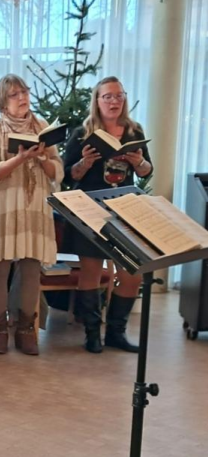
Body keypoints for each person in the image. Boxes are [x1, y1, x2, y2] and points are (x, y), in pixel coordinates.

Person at [63, 76, 152, 353]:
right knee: (90, 271)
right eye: (108, 96)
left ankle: (116, 332)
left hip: (124, 209)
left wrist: (140, 163)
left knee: (132, 275)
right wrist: (84, 162)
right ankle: (92, 334)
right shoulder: (83, 133)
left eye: (118, 96)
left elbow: (148, 171)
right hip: (90, 208)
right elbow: (68, 176)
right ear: (97, 100)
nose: (114, 101)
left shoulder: (134, 132)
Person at [0, 74, 63, 355]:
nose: (22, 97)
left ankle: (26, 328)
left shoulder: (43, 128)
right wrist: (20, 158)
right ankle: (0, 327)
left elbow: (57, 172)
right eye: (14, 94)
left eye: (24, 91)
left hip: (34, 204)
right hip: (3, 205)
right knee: (0, 267)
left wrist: (40, 158)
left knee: (30, 267)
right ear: (3, 101)